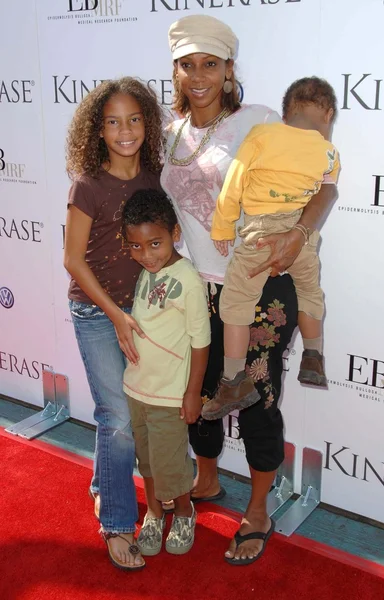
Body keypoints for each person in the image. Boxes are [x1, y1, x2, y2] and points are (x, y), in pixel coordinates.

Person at [161, 14, 337, 565]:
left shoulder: (261, 121)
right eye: (187, 65)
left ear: (229, 68)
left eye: (210, 64)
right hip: (197, 288)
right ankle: (207, 478)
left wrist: (300, 234)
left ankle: (259, 508)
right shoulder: (168, 132)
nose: (198, 76)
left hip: (263, 285)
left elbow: (326, 188)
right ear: (176, 70)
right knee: (208, 389)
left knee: (257, 395)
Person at [64, 77, 164, 571]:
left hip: (142, 313)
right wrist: (116, 315)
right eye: (112, 122)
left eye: (134, 119)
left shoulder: (154, 177)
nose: (125, 131)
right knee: (118, 417)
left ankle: (105, 483)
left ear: (147, 122)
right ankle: (119, 523)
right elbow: (73, 261)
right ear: (97, 130)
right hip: (96, 312)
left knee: (134, 417)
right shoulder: (88, 184)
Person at [203, 77, 340, 420]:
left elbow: (234, 182)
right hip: (301, 235)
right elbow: (326, 189)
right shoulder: (329, 152)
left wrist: (222, 226)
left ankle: (233, 380)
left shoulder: (262, 135)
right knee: (310, 292)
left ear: (287, 111)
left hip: (260, 234)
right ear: (328, 113)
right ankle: (313, 356)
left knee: (235, 304)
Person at [121, 189, 210, 556]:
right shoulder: (146, 272)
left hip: (170, 395)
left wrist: (192, 393)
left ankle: (185, 512)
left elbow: (200, 340)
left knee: (171, 464)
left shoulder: (188, 278)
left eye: (155, 243)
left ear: (174, 233)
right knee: (147, 460)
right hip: (137, 389)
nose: (146, 255)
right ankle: (155, 514)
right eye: (136, 247)